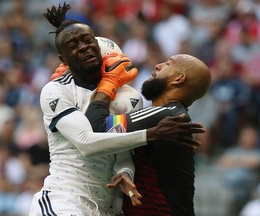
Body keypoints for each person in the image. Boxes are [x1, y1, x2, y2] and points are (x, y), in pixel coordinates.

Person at [29, 3, 206, 216]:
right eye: (73, 45)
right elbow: (88, 139)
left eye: (88, 41)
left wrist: (124, 170)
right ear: (64, 60)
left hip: (107, 207)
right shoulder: (56, 90)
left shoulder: (134, 99)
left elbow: (121, 152)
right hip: (65, 198)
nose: (84, 48)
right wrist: (149, 137)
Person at [85, 54, 212, 215]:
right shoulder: (172, 116)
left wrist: (107, 84)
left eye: (167, 64)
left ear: (178, 79)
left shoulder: (167, 115)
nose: (157, 65)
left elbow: (95, 128)